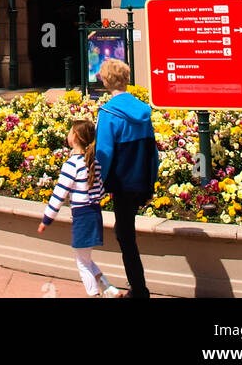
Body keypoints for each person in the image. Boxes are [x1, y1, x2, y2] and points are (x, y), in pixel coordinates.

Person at [95, 58, 159, 300]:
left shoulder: (109, 113)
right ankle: (139, 288)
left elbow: (104, 153)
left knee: (125, 236)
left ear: (106, 81)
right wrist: (151, 182)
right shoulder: (143, 110)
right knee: (126, 232)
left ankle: (140, 290)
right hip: (141, 180)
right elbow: (152, 150)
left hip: (122, 183)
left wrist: (97, 183)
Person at [37, 119, 120, 297]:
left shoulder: (72, 164)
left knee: (82, 262)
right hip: (94, 213)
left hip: (82, 216)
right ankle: (109, 289)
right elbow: (101, 191)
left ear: (74, 137)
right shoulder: (94, 162)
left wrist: (47, 219)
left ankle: (94, 294)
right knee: (85, 258)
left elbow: (59, 194)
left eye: (69, 131)